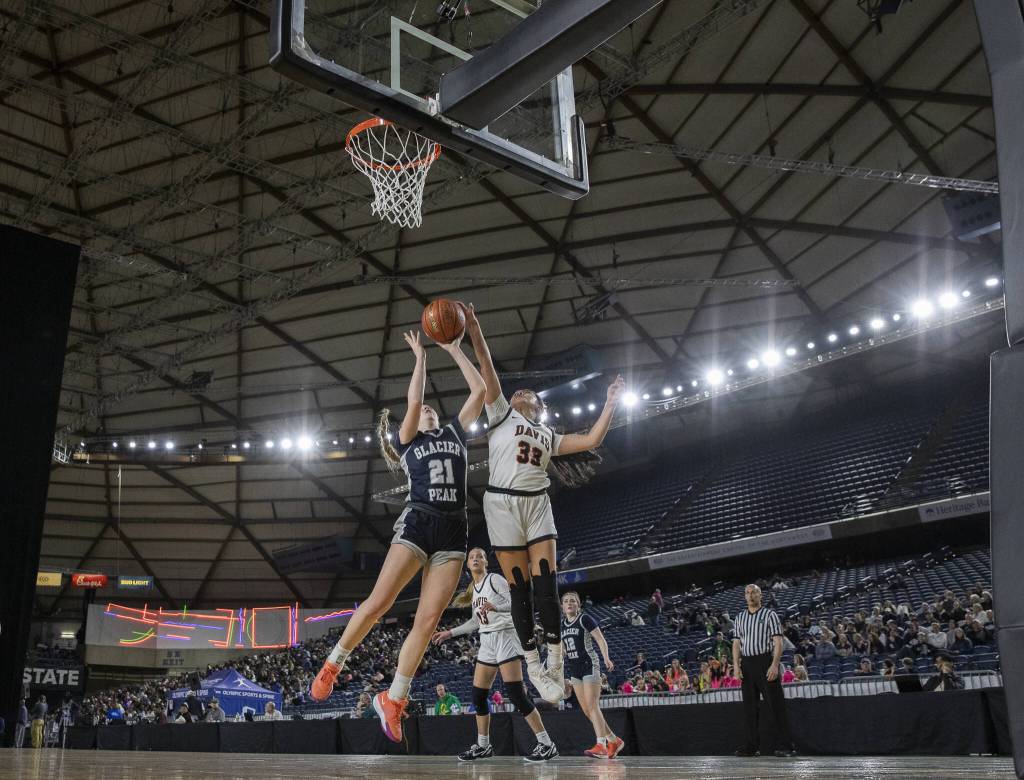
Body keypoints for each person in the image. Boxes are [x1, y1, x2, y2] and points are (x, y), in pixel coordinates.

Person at [310, 327, 486, 744]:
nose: (425, 408)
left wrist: (455, 349)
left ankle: (395, 698)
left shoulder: (456, 433)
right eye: (421, 408)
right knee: (379, 602)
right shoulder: (408, 441)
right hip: (419, 521)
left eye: (429, 408)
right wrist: (421, 359)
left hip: (452, 529)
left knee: (427, 621)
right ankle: (333, 663)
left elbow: (478, 390)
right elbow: (412, 399)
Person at [464, 302, 624, 702]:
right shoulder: (499, 414)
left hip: (536, 504)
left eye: (529, 393)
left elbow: (590, 442)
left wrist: (610, 402)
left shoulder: (548, 435)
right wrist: (475, 329)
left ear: (539, 407)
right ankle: (533, 665)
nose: (520, 391)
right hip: (501, 506)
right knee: (519, 592)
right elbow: (486, 365)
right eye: (518, 390)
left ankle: (555, 663)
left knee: (546, 587)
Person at [432, 548, 558, 762]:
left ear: (485, 562)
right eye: (471, 557)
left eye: (479, 556)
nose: (475, 559)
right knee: (478, 696)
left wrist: (496, 607)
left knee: (517, 695)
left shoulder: (494, 580)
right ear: (468, 564)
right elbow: (474, 622)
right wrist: (449, 633)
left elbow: (517, 604)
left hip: (505, 637)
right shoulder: (474, 588)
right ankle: (483, 746)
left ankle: (546, 743)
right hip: (487, 641)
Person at [732, 584, 795, 758]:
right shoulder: (739, 617)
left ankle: (786, 745)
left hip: (765, 661)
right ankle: (752, 746)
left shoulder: (770, 615)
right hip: (747, 663)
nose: (751, 595)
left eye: (754, 592)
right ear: (745, 596)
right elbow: (736, 644)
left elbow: (778, 642)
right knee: (749, 708)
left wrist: (774, 664)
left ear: (760, 595)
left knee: (776, 705)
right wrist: (736, 666)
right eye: (748, 593)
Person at [560, 591, 624, 758]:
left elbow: (600, 639)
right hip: (574, 670)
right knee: (588, 711)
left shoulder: (584, 619)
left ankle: (601, 745)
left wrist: (606, 658)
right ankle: (613, 740)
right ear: (562, 606)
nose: (569, 603)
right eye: (566, 601)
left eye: (573, 601)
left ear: (578, 604)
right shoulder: (562, 625)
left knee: (593, 705)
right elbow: (563, 651)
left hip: (590, 665)